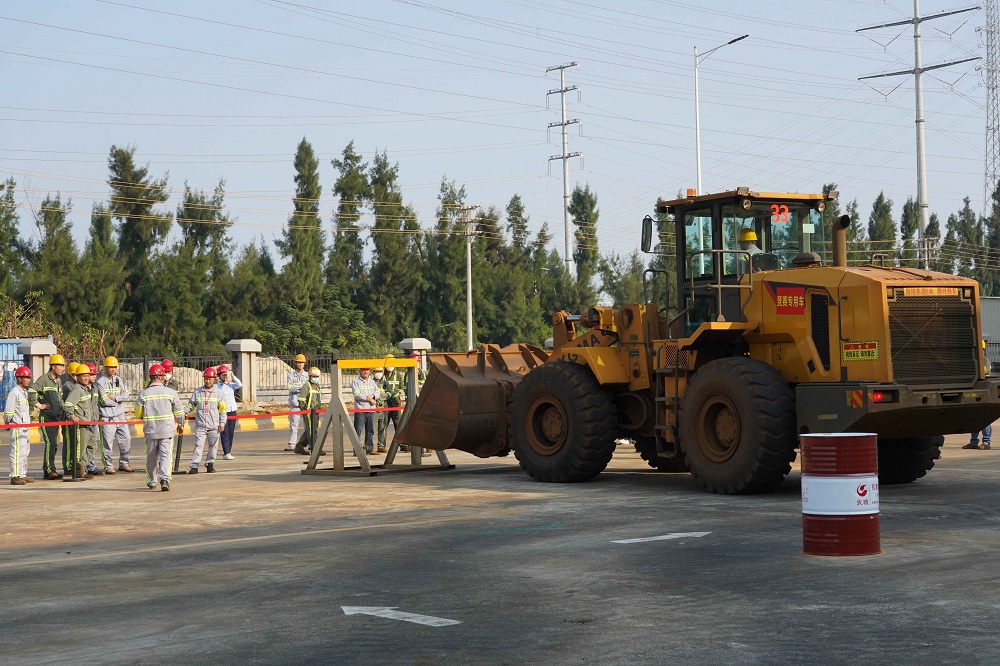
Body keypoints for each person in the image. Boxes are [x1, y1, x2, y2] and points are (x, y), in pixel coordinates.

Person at [135, 363, 184, 491]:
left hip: (151, 431)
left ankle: (152, 481)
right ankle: (165, 479)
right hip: (167, 430)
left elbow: (138, 413)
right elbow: (179, 411)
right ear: (162, 377)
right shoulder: (170, 392)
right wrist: (180, 424)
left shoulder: (143, 394)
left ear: (150, 377)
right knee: (166, 455)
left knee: (151, 457)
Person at [27, 353, 67, 480]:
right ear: (53, 366)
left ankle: (49, 469)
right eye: (60, 366)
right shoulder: (44, 379)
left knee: (55, 444)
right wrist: (40, 405)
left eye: (63, 366)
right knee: (51, 443)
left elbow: (60, 399)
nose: (62, 368)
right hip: (47, 418)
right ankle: (49, 470)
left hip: (56, 418)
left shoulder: (59, 381)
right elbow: (31, 391)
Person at [64, 363, 104, 480]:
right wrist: (72, 416)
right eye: (83, 376)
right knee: (80, 450)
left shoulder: (86, 389)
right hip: (81, 426)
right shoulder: (77, 389)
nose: (86, 378)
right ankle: (76, 472)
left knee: (92, 446)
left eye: (87, 375)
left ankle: (81, 467)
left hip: (88, 424)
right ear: (77, 377)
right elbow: (68, 405)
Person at [186, 367, 226, 474]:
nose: (207, 381)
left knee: (213, 446)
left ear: (214, 379)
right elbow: (191, 405)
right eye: (206, 379)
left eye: (210, 379)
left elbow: (222, 410)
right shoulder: (197, 392)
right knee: (198, 445)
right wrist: (184, 412)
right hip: (201, 425)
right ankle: (194, 466)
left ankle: (210, 463)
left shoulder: (219, 393)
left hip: (214, 425)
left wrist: (222, 423)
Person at [96, 355, 133, 473]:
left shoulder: (118, 379)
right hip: (107, 417)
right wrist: (118, 400)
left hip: (120, 416)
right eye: (110, 367)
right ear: (105, 367)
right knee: (107, 443)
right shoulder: (100, 382)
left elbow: (127, 393)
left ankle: (124, 463)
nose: (113, 369)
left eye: (115, 367)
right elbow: (104, 401)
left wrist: (115, 398)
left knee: (126, 439)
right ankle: (108, 466)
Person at [6, 366, 34, 485]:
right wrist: (8, 422)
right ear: (19, 378)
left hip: (25, 427)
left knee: (24, 452)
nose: (28, 380)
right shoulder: (14, 393)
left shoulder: (24, 393)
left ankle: (22, 474)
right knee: (16, 452)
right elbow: (9, 411)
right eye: (26, 378)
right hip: (17, 427)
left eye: (29, 378)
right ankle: (15, 475)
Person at [294, 366, 323, 455]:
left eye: (316, 377)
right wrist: (305, 409)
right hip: (309, 412)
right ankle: (315, 449)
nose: (315, 378)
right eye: (313, 376)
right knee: (311, 431)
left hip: (316, 411)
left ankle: (299, 446)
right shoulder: (306, 386)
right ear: (309, 376)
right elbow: (301, 399)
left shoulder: (316, 386)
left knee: (312, 429)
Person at [351, 367, 380, 455]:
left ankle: (369, 448)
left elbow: (378, 392)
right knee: (358, 430)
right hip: (361, 409)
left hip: (371, 409)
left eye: (367, 370)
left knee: (370, 430)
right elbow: (357, 394)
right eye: (364, 370)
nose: (365, 372)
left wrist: (373, 396)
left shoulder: (372, 382)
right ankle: (357, 450)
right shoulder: (356, 382)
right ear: (360, 371)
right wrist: (369, 399)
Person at [377, 363, 404, 453]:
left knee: (398, 424)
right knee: (383, 424)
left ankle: (403, 445)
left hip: (395, 402)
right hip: (385, 402)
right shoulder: (381, 374)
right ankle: (381, 446)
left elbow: (401, 387)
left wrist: (395, 394)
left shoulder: (398, 374)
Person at [217, 364, 241, 460]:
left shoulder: (231, 385)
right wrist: (225, 383)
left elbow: (239, 384)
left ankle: (228, 451)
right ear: (219, 376)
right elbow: (221, 393)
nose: (225, 376)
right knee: (224, 432)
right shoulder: (218, 386)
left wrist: (233, 377)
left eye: (225, 374)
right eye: (223, 375)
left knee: (231, 432)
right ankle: (226, 452)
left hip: (232, 410)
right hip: (223, 411)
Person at [285, 354, 309, 451]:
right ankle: (292, 444)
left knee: (308, 425)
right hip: (295, 404)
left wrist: (296, 386)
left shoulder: (308, 376)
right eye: (299, 362)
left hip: (306, 404)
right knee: (294, 425)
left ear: (304, 364)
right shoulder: (291, 376)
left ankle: (309, 443)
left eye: (302, 362)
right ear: (296, 363)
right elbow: (290, 388)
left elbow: (308, 388)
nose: (300, 364)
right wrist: (302, 387)